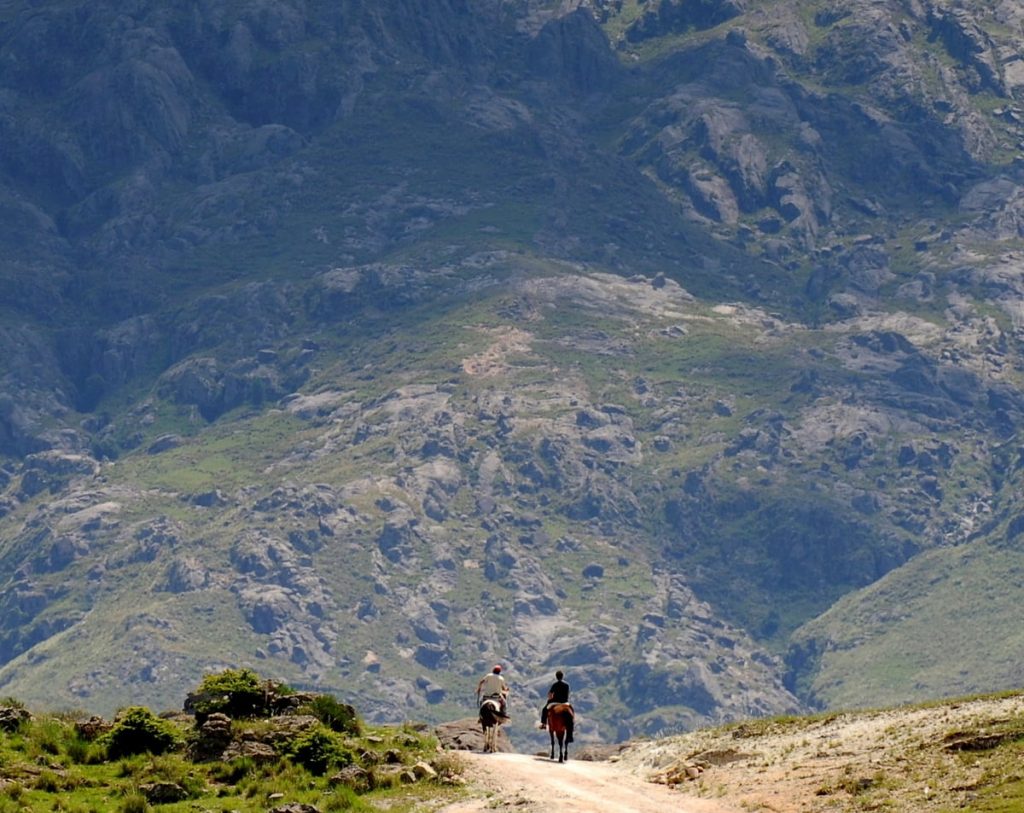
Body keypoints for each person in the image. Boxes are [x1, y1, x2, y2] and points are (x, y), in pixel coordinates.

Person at [539, 669, 572, 734]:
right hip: (565, 702)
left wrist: (550, 698)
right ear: (562, 676)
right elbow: (568, 694)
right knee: (571, 710)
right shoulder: (567, 685)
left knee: (544, 710)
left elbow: (550, 694)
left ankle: (544, 724)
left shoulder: (555, 685)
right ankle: (570, 723)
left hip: (555, 701)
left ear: (556, 677)